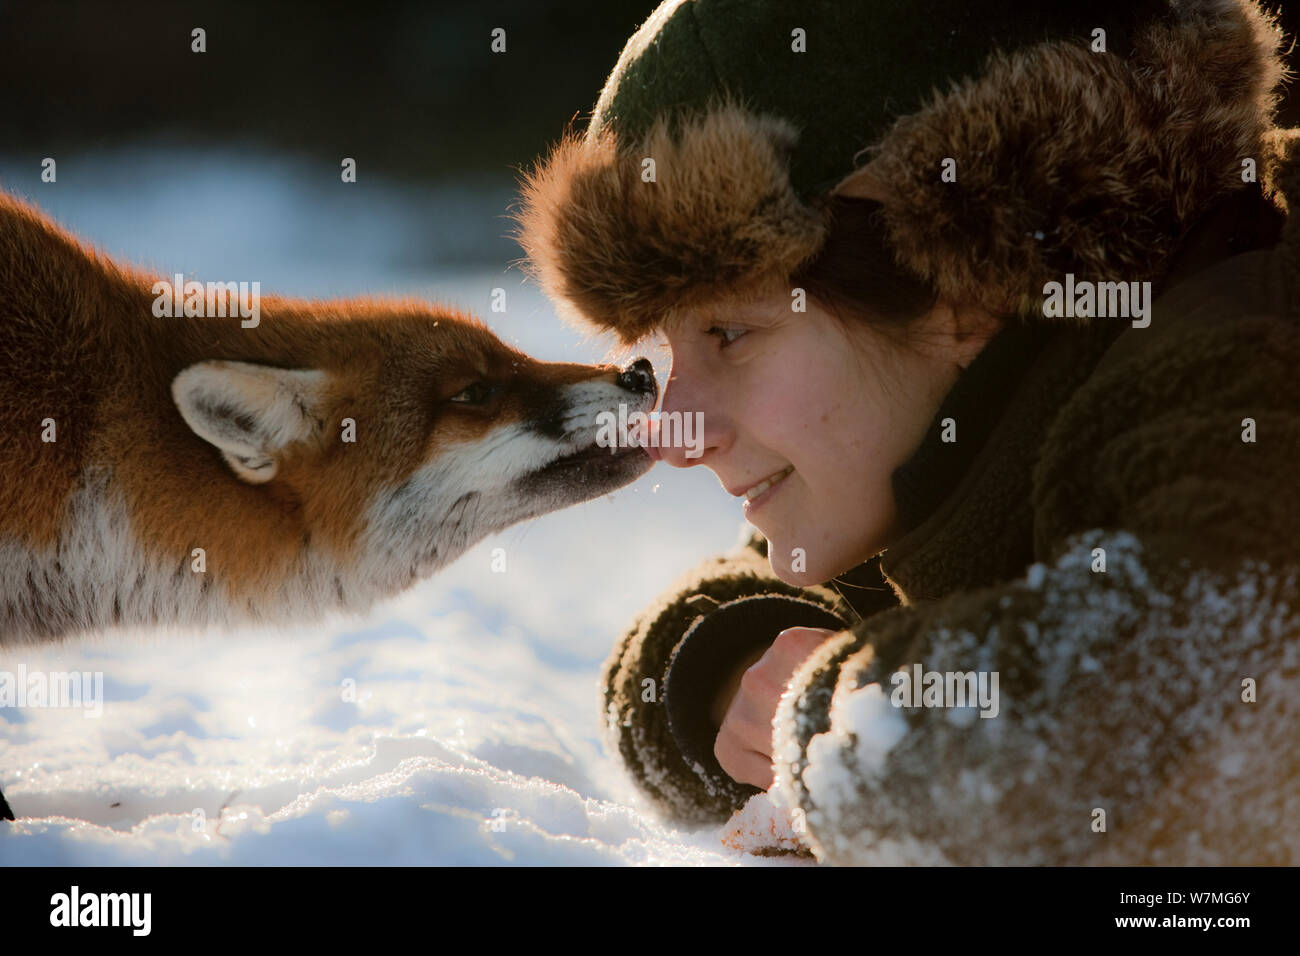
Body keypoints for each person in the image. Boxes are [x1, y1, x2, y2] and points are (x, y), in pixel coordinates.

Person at [514, 0, 1300, 865]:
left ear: (969, 275)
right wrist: (733, 675)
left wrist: (829, 720)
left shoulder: (1239, 364)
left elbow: (1206, 688)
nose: (673, 431)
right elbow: (733, 606)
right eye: (665, 348)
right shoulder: (940, 446)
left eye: (728, 335)